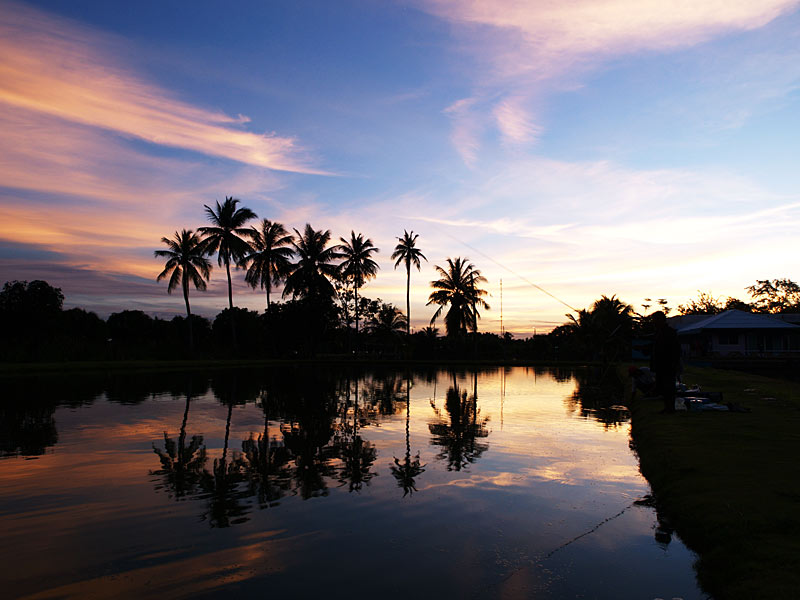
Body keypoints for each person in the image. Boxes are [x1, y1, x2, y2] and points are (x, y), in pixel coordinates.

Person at [650, 311, 681, 413]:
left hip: (668, 365)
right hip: (660, 365)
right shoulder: (658, 333)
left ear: (661, 320)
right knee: (663, 387)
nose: (653, 322)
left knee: (668, 387)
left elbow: (675, 350)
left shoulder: (669, 332)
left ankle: (670, 408)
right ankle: (667, 407)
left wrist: (674, 364)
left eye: (654, 320)